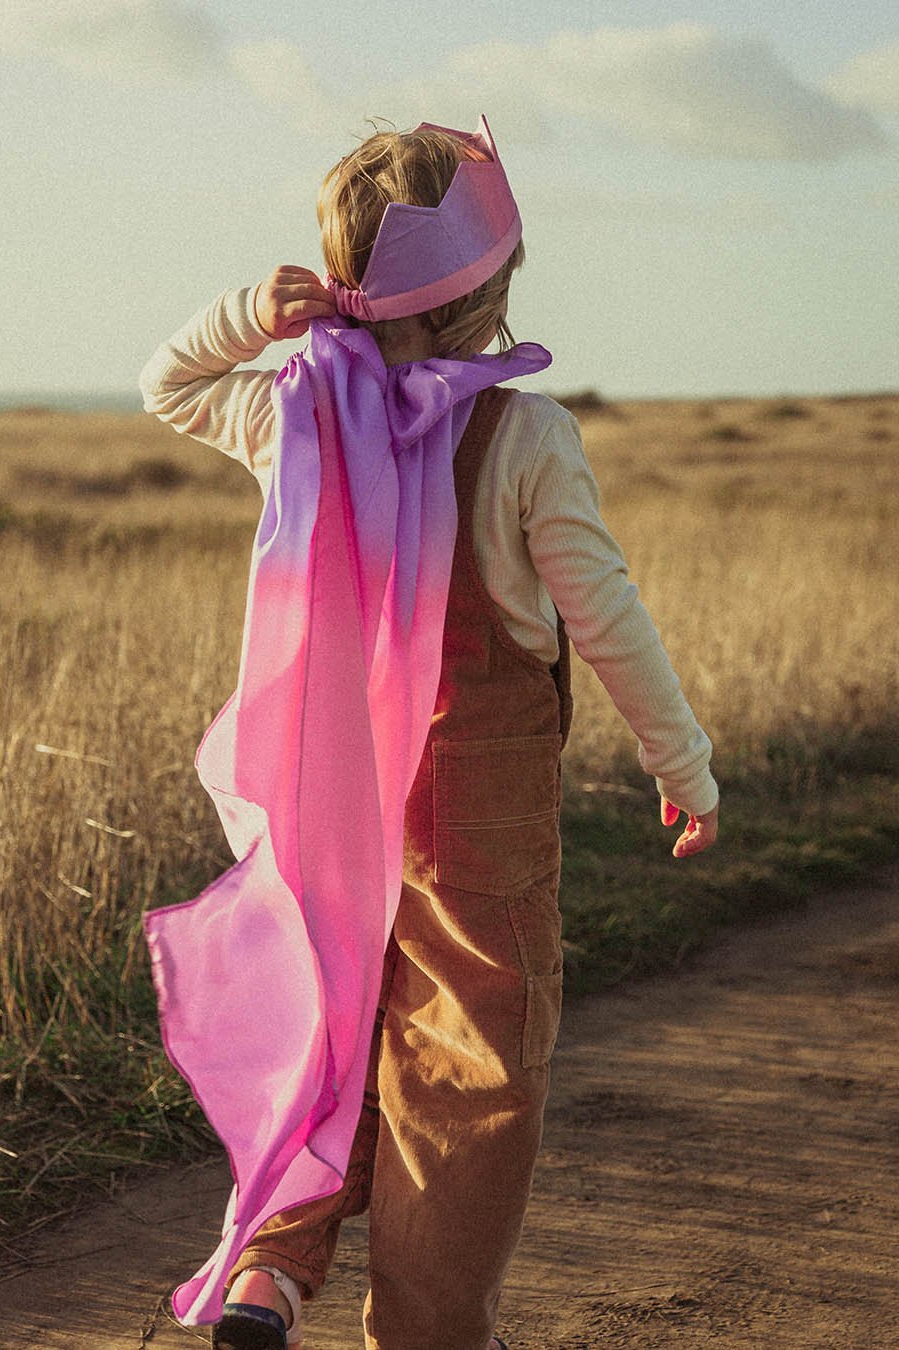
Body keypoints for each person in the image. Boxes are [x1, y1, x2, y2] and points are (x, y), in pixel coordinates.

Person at [139, 116, 719, 1350]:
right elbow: (606, 618)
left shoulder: (295, 415)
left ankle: (272, 1272)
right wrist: (685, 765)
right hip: (474, 816)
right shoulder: (528, 437)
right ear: (490, 296)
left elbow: (165, 387)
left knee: (332, 1014)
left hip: (337, 799)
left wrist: (252, 315)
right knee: (469, 1067)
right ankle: (428, 1327)